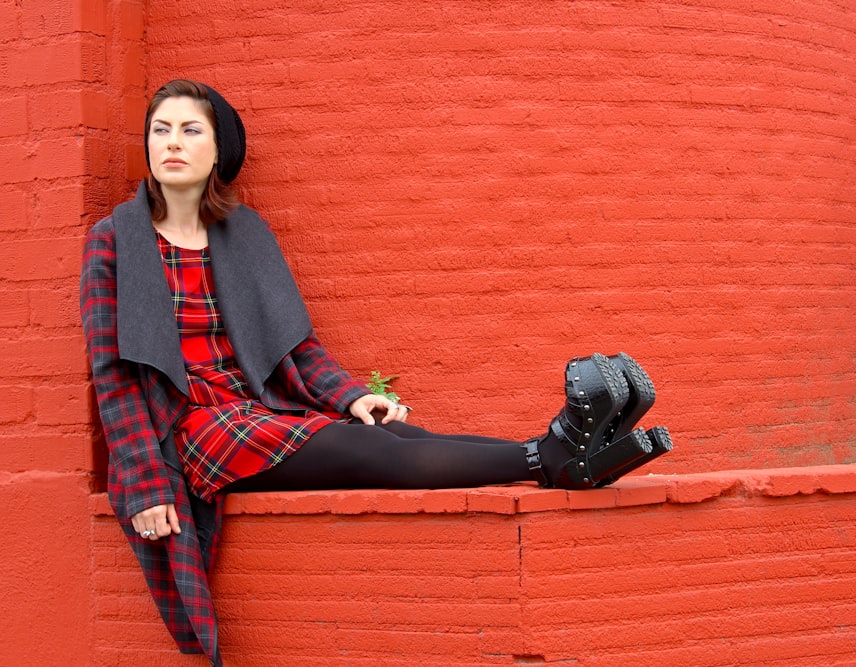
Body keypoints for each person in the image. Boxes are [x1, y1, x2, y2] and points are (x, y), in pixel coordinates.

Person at [80, 79, 672, 666]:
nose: (171, 143)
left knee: (396, 435)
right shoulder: (114, 243)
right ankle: (552, 457)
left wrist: (354, 397)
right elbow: (111, 374)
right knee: (369, 453)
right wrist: (146, 480)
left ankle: (557, 452)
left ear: (218, 152)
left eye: (190, 130)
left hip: (253, 407)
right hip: (188, 429)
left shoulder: (245, 235)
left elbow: (296, 347)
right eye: (160, 130)